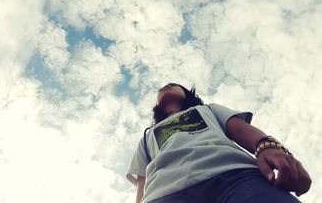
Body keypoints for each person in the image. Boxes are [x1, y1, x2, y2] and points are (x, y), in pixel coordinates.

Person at [126, 83, 312, 203]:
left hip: (237, 177)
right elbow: (143, 181)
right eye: (162, 88)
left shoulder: (207, 109)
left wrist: (266, 145)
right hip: (164, 194)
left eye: (174, 85)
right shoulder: (147, 137)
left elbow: (238, 129)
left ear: (188, 93)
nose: (167, 87)